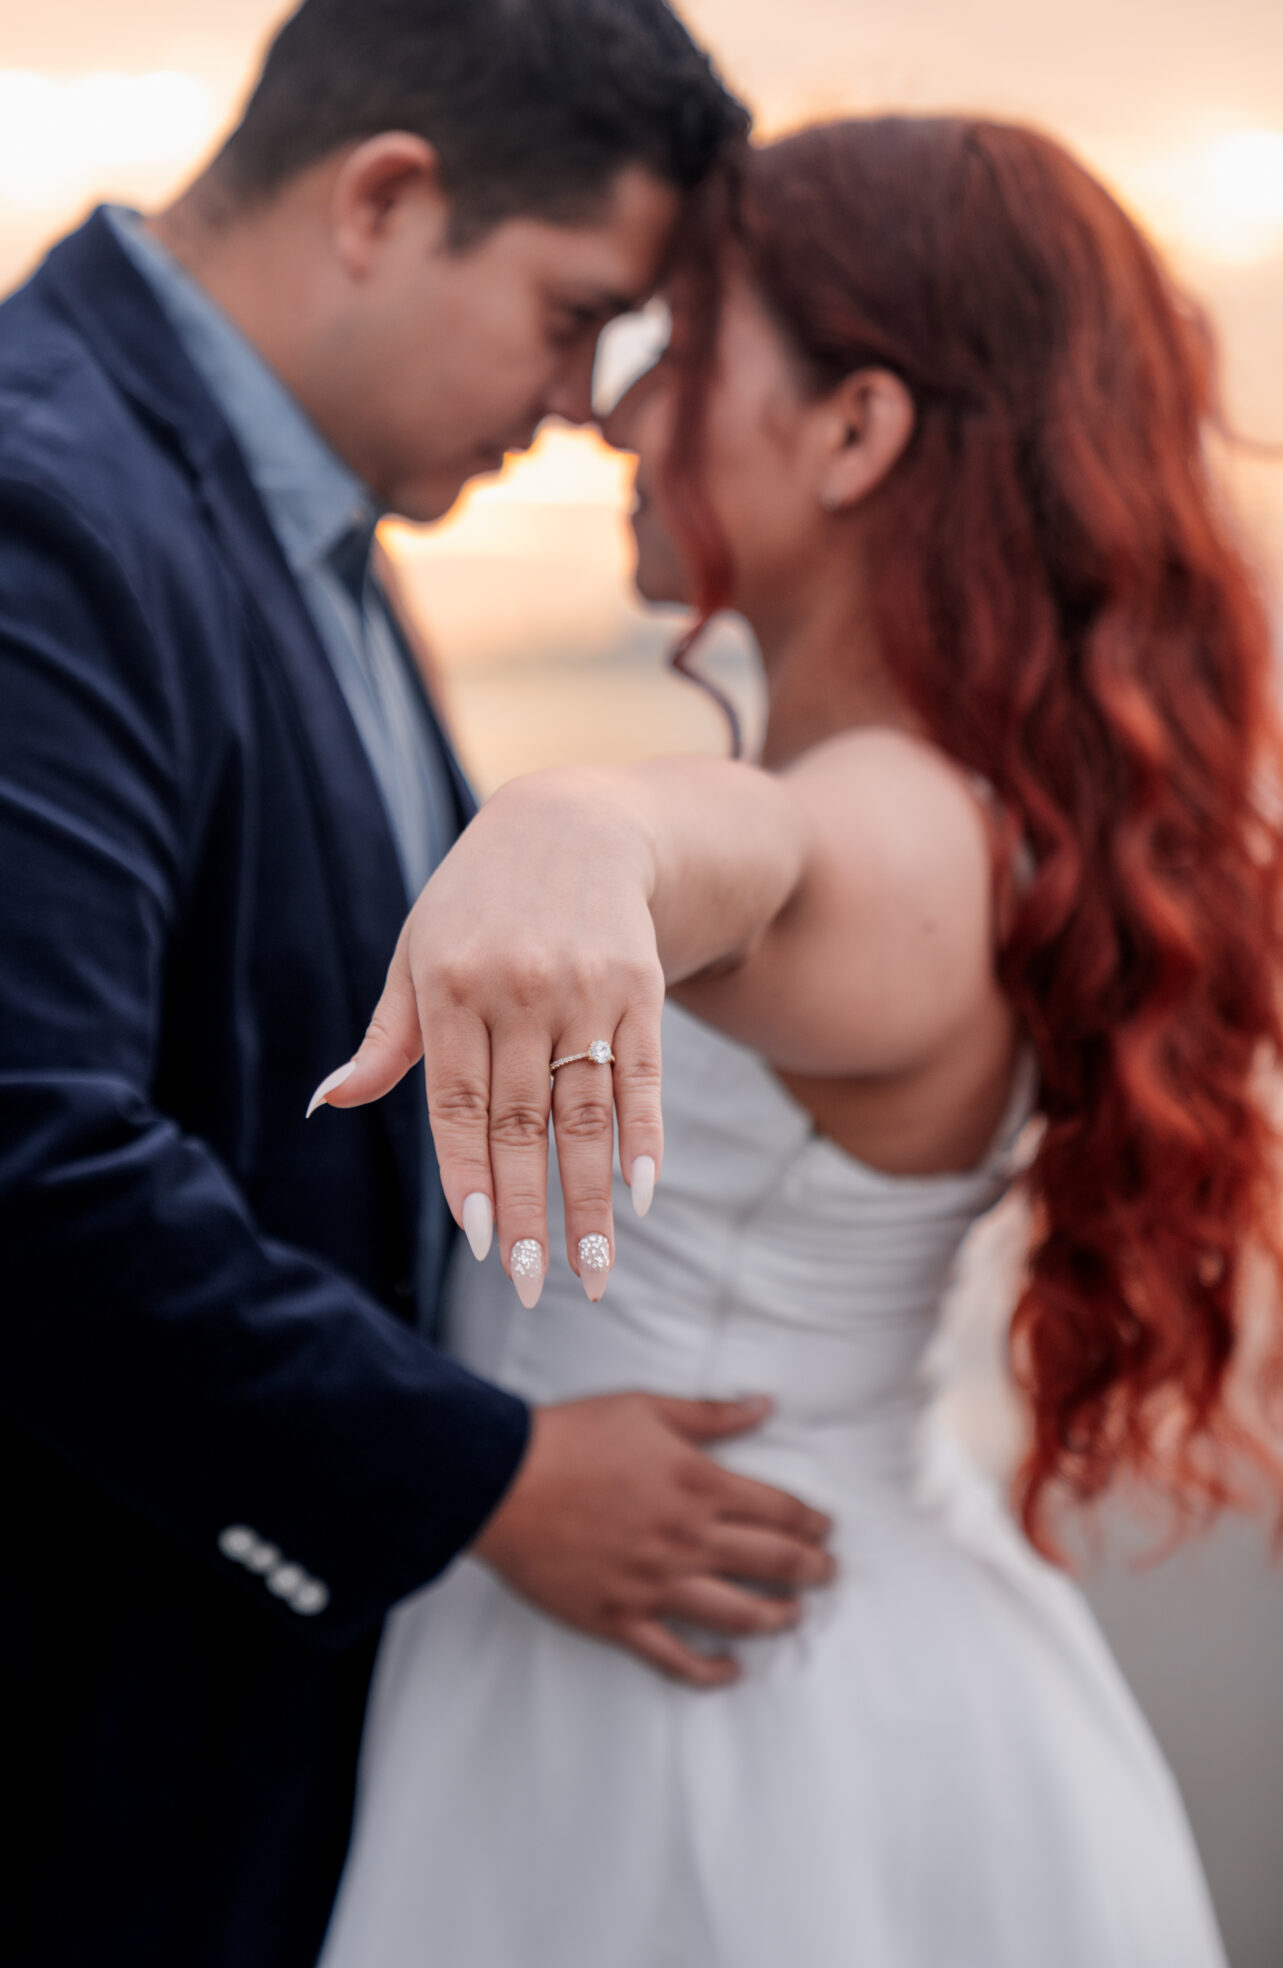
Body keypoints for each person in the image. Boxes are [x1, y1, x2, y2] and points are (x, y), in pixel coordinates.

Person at [0, 0, 836, 1967]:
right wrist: (484, 1477)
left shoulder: (300, 520)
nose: (583, 405)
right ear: (384, 198)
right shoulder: (2, 509)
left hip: (128, 1723)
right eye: (568, 311)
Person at [318, 115, 1283, 1966]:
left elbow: (746, 856)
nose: (613, 412)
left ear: (856, 428)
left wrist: (578, 826)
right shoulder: (974, 804)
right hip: (731, 1629)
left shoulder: (904, 837)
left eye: (677, 346)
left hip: (719, 1721)